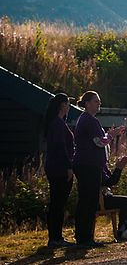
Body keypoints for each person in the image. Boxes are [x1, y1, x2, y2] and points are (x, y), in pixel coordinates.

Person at [73, 91, 125, 247]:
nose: (99, 104)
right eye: (96, 101)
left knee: (86, 201)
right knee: (88, 202)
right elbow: (99, 142)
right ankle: (85, 239)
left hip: (86, 164)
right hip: (88, 165)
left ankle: (83, 237)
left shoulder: (87, 120)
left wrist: (109, 135)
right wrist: (111, 135)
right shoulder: (90, 121)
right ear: (87, 103)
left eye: (99, 102)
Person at [44, 93, 75, 248]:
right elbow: (61, 147)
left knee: (56, 202)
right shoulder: (58, 124)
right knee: (58, 203)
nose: (69, 107)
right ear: (62, 105)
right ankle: (55, 238)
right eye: (68, 104)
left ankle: (55, 237)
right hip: (59, 168)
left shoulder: (57, 123)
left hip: (54, 166)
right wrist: (69, 167)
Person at [100, 155, 127, 241]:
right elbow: (109, 182)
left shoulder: (102, 165)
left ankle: (125, 229)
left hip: (103, 196)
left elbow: (111, 180)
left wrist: (118, 168)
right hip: (99, 200)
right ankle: (123, 230)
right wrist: (118, 169)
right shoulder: (97, 166)